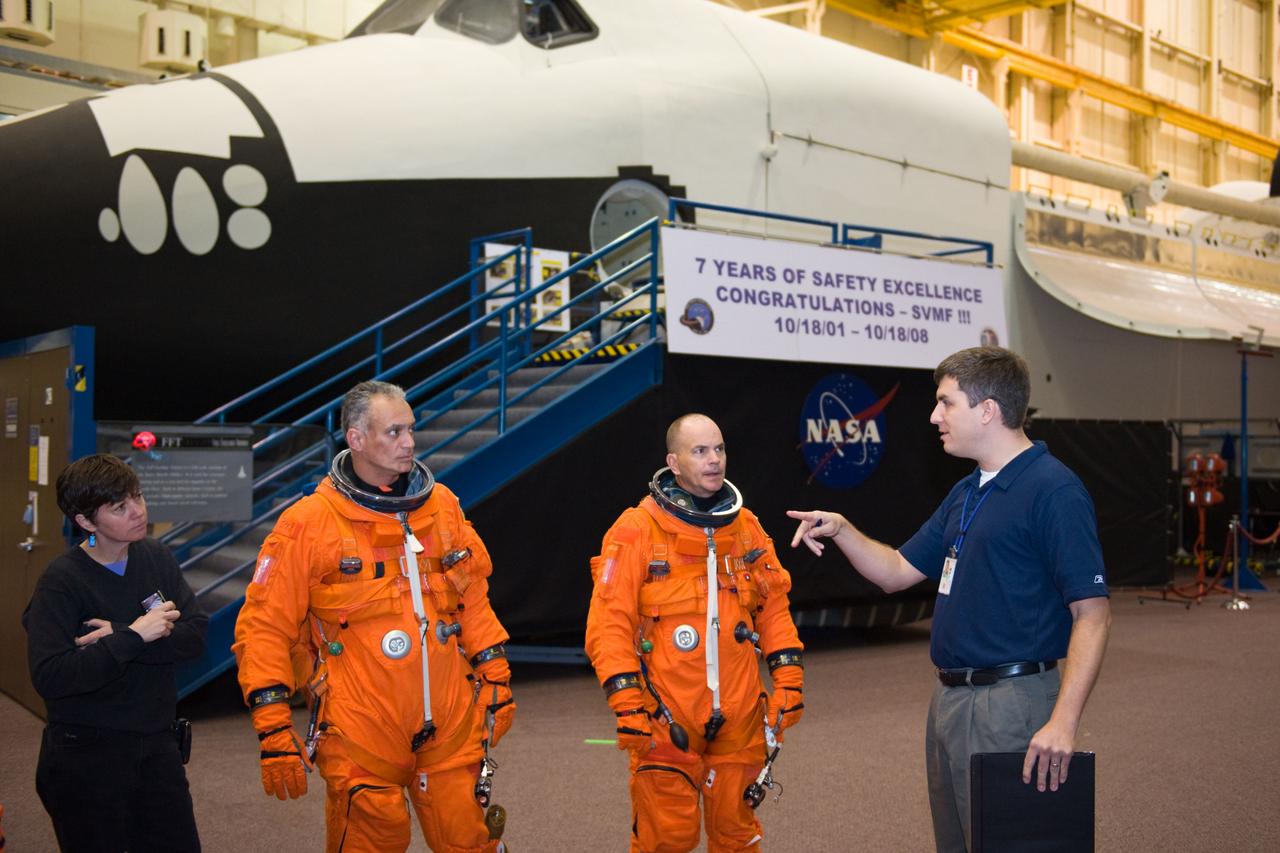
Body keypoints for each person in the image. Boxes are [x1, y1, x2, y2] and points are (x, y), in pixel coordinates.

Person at [788, 347, 1111, 853]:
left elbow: (1092, 616)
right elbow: (896, 572)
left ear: (987, 410)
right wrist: (844, 531)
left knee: (1013, 842)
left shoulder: (1054, 490)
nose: (934, 416)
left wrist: (1063, 722)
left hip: (1013, 702)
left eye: (946, 403)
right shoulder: (967, 490)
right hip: (951, 703)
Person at [233, 380, 514, 853]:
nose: (409, 442)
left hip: (449, 715)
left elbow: (471, 598)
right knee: (374, 838)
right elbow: (265, 626)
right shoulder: (309, 523)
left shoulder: (441, 507)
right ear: (356, 439)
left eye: (411, 429)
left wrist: (496, 674)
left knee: (469, 838)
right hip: (360, 723)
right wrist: (273, 724)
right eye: (394, 432)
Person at [586, 413, 805, 853]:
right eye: (700, 451)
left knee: (737, 837)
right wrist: (626, 702)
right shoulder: (636, 531)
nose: (714, 460)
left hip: (741, 715)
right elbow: (608, 625)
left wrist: (789, 680)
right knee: (668, 838)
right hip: (666, 715)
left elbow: (774, 608)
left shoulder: (746, 529)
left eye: (719, 449)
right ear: (673, 461)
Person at [24, 453, 207, 853]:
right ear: (86, 522)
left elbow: (195, 636)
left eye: (138, 498)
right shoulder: (61, 581)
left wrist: (123, 634)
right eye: (120, 507)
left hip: (157, 748)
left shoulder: (155, 556)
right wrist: (137, 637)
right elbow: (52, 675)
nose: (138, 512)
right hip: (87, 756)